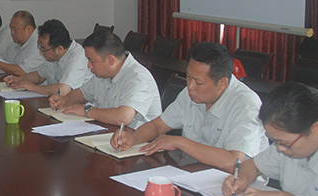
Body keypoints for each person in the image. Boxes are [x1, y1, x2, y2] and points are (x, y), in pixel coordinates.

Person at [111, 41, 267, 172]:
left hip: (236, 185)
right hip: (194, 173)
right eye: (188, 77)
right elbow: (158, 126)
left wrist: (179, 142)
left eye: (198, 82)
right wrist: (134, 137)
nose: (190, 86)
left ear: (222, 83)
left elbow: (233, 162)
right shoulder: (190, 94)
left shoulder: (246, 105)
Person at [49, 30, 161, 128]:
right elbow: (82, 94)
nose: (89, 66)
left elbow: (123, 117)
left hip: (139, 141)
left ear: (111, 60)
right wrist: (65, 100)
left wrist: (86, 111)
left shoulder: (138, 78)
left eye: (92, 61)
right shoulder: (103, 74)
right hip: (110, 133)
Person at [6, 19, 90, 97]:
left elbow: (62, 91)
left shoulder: (78, 58)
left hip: (78, 105)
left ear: (59, 49)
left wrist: (33, 87)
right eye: (40, 47)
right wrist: (20, 80)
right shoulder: (53, 56)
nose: (41, 52)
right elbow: (39, 76)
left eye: (44, 49)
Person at [0, 10, 44, 77]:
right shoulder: (17, 41)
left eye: (15, 29)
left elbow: (22, 71)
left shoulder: (39, 45)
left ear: (28, 29)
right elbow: (3, 59)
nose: (12, 32)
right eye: (11, 28)